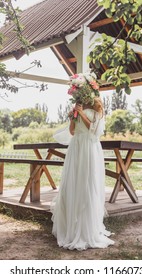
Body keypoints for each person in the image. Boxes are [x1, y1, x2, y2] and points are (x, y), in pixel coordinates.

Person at [51, 73, 115, 251]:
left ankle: (87, 228)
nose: (79, 94)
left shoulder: (97, 108)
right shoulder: (76, 108)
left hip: (89, 147)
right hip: (76, 146)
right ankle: (70, 227)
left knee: (87, 183)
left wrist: (81, 114)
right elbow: (72, 131)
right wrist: (73, 116)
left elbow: (94, 130)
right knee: (73, 183)